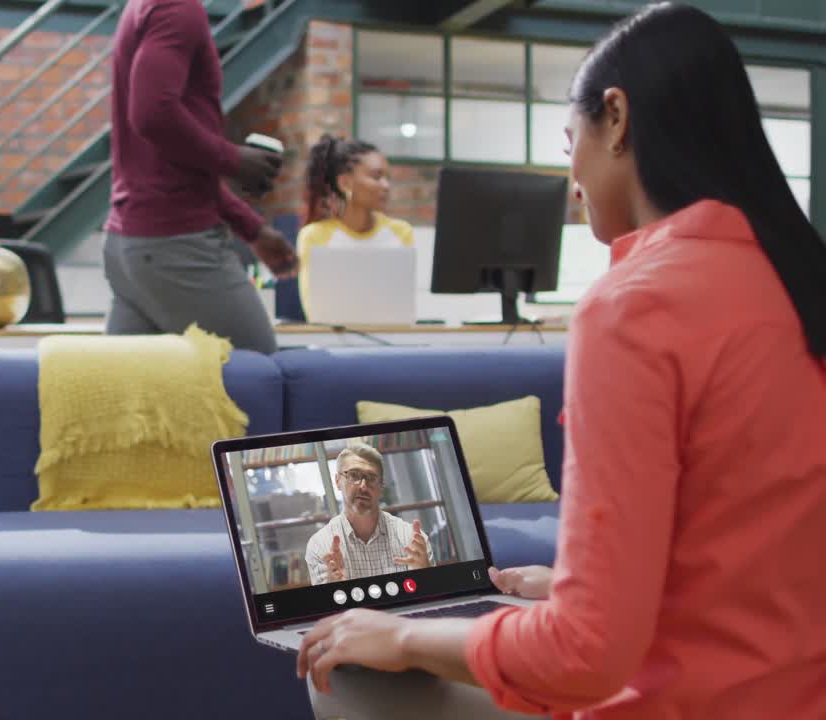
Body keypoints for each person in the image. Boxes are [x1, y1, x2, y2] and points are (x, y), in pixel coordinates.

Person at [296, 3, 826, 719]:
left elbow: (582, 656)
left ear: (617, 117)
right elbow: (757, 553)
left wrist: (403, 637)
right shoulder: (794, 282)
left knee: (351, 671)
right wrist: (598, 587)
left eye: (569, 139)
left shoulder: (634, 308)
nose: (569, 175)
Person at [102, 0, 298, 355]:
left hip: (129, 246)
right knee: (261, 380)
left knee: (134, 401)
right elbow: (152, 114)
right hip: (175, 247)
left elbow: (168, 162)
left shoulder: (146, 5)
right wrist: (234, 159)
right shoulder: (178, 7)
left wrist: (252, 228)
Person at [296, 135, 415, 319]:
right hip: (332, 343)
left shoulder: (401, 232)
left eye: (387, 177)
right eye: (377, 177)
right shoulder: (314, 236)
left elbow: (403, 309)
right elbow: (315, 313)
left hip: (391, 342)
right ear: (345, 183)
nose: (386, 186)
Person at [306, 444, 432, 586]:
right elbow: (326, 607)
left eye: (372, 478)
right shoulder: (320, 546)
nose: (363, 486)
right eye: (353, 475)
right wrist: (332, 588)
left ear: (381, 487)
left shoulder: (412, 541)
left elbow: (434, 599)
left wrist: (425, 578)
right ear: (337, 481)